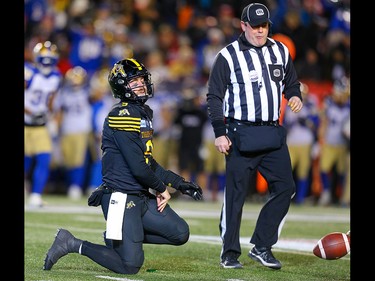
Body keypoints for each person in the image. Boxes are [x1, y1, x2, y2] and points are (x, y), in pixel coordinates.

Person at [43, 58, 203, 274]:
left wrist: (180, 183)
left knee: (179, 233)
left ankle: (119, 235)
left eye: (142, 80)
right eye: (134, 82)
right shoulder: (122, 114)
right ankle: (71, 243)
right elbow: (137, 166)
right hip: (120, 194)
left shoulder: (143, 112)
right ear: (122, 87)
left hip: (139, 195)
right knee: (130, 265)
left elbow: (147, 161)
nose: (142, 85)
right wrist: (162, 188)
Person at [206, 3, 303, 270]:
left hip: (272, 132)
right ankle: (229, 253)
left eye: (264, 26)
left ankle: (262, 246)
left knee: (286, 188)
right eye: (255, 26)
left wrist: (294, 95)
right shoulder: (228, 56)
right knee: (235, 196)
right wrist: (220, 132)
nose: (260, 31)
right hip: (240, 132)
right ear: (243, 25)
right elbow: (214, 96)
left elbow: (291, 82)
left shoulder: (280, 50)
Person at [24, 41, 62, 208]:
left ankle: (36, 195)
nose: (47, 62)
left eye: (50, 59)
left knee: (44, 158)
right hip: (25, 122)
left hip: (40, 124)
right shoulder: (28, 72)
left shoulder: (56, 76)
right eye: (43, 58)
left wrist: (53, 116)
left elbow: (51, 99)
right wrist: (29, 111)